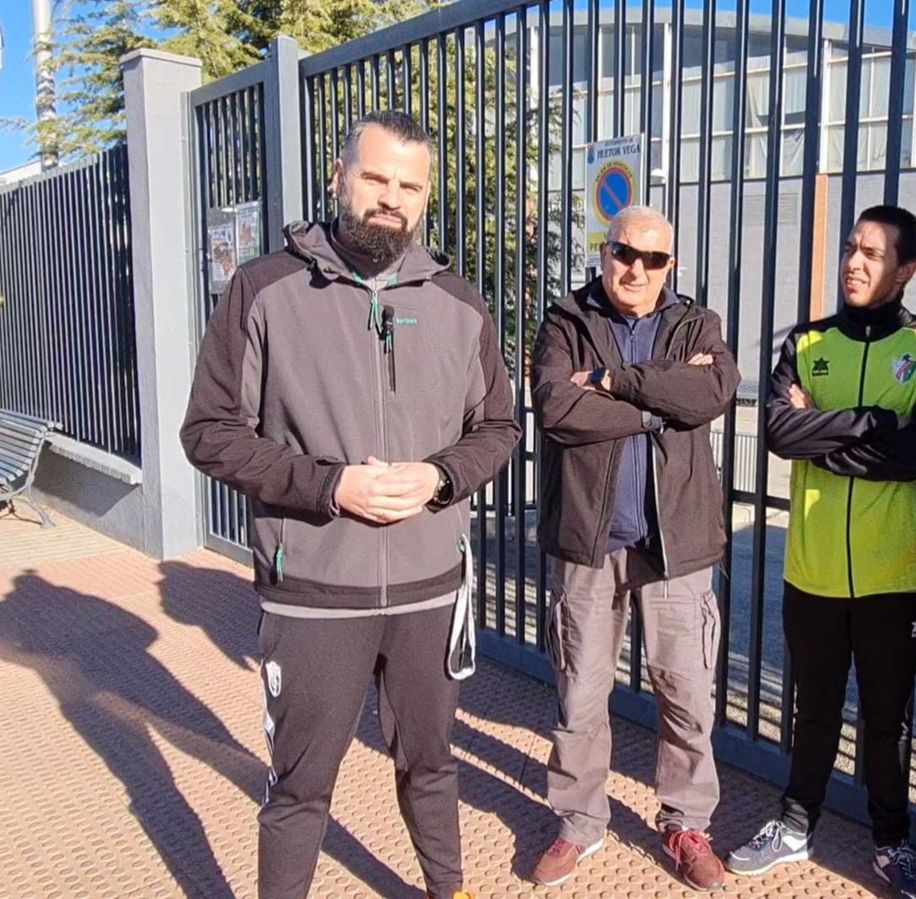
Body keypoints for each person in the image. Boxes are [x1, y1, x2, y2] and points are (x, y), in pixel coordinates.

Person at [180, 110, 521, 899]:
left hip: (430, 589)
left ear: (426, 198)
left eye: (409, 186)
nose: (390, 198)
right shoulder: (263, 291)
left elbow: (498, 427)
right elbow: (209, 432)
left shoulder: (459, 305)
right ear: (340, 176)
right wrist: (330, 484)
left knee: (433, 765)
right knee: (300, 786)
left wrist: (440, 477)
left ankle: (450, 888)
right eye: (376, 178)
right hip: (313, 594)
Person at [728, 205, 916, 899]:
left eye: (874, 254)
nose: (855, 263)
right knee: (815, 706)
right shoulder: (806, 342)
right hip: (815, 569)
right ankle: (795, 823)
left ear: (907, 269)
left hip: (896, 573)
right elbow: (777, 431)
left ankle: (891, 844)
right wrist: (877, 423)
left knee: (887, 715)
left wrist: (821, 428)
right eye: (851, 248)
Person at [527, 205, 740, 892]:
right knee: (580, 692)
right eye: (625, 253)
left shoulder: (696, 323)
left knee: (685, 693)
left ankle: (685, 821)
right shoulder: (567, 319)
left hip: (675, 542)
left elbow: (712, 391)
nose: (636, 269)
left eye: (653, 259)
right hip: (589, 541)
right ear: (605, 250)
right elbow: (556, 406)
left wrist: (616, 382)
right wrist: (658, 407)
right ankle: (579, 821)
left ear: (669, 265)